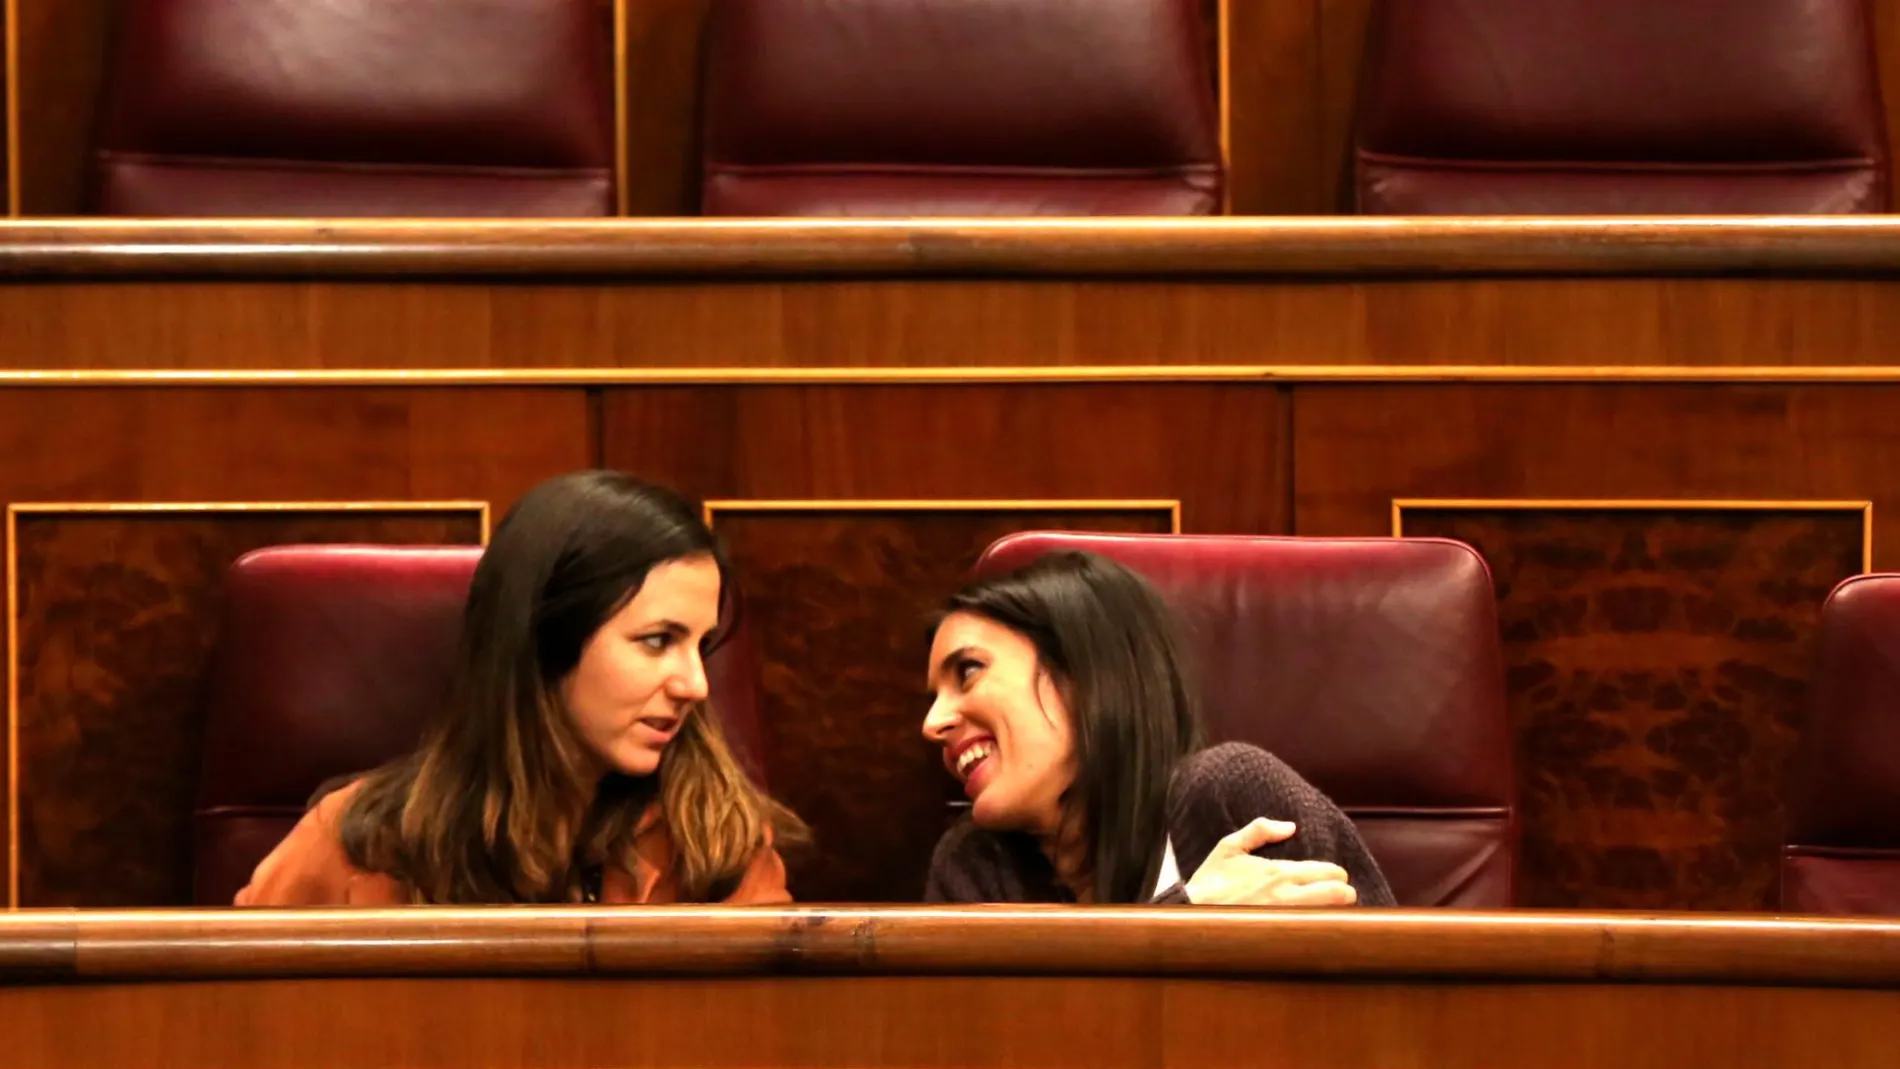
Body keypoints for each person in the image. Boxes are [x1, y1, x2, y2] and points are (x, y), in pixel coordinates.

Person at [236, 470, 805, 906]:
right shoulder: (356, 844)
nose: (696, 685)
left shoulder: (720, 843)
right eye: (658, 641)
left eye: (702, 647)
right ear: (542, 639)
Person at [921, 550, 1394, 906]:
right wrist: (1189, 919)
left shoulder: (1232, 796)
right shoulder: (973, 864)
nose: (933, 723)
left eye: (967, 672)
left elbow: (1383, 1018)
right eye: (934, 697)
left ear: (1086, 676)